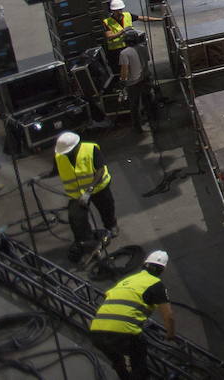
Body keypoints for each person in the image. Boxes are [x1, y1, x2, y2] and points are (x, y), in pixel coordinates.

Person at [90, 250, 176, 380]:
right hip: (122, 334)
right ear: (162, 270)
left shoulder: (127, 280)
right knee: (138, 363)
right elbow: (168, 316)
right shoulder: (156, 285)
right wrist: (170, 335)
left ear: (144, 264)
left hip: (96, 331)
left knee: (118, 362)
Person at [55, 132, 117, 259]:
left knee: (106, 208)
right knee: (76, 218)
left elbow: (100, 170)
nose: (66, 154)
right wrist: (40, 177)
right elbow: (54, 169)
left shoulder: (91, 149)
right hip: (76, 194)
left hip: (98, 188)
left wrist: (89, 190)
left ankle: (111, 226)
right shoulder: (59, 155)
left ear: (77, 146)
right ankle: (87, 241)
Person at [103, 0, 159, 70]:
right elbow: (109, 36)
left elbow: (143, 18)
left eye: (120, 9)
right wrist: (122, 31)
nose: (119, 12)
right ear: (113, 11)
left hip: (130, 46)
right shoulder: (107, 22)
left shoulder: (128, 15)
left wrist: (158, 19)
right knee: (123, 68)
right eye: (117, 10)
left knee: (135, 66)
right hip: (117, 50)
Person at [118, 29, 151, 133]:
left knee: (134, 105)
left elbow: (125, 70)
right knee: (147, 101)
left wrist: (122, 81)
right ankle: (151, 120)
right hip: (145, 78)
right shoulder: (143, 48)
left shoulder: (124, 53)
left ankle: (137, 127)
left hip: (133, 83)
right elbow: (147, 60)